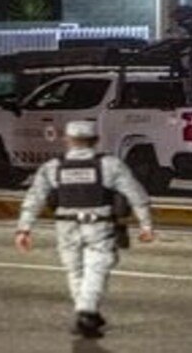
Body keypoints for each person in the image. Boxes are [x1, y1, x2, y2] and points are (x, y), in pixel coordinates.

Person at [14, 121, 155, 339]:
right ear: (96, 140)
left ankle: (87, 313)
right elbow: (136, 195)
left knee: (75, 271)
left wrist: (24, 229)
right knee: (96, 269)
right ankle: (87, 313)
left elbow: (35, 198)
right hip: (99, 225)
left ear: (67, 140)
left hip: (65, 225)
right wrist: (146, 224)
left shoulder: (52, 167)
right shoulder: (110, 165)